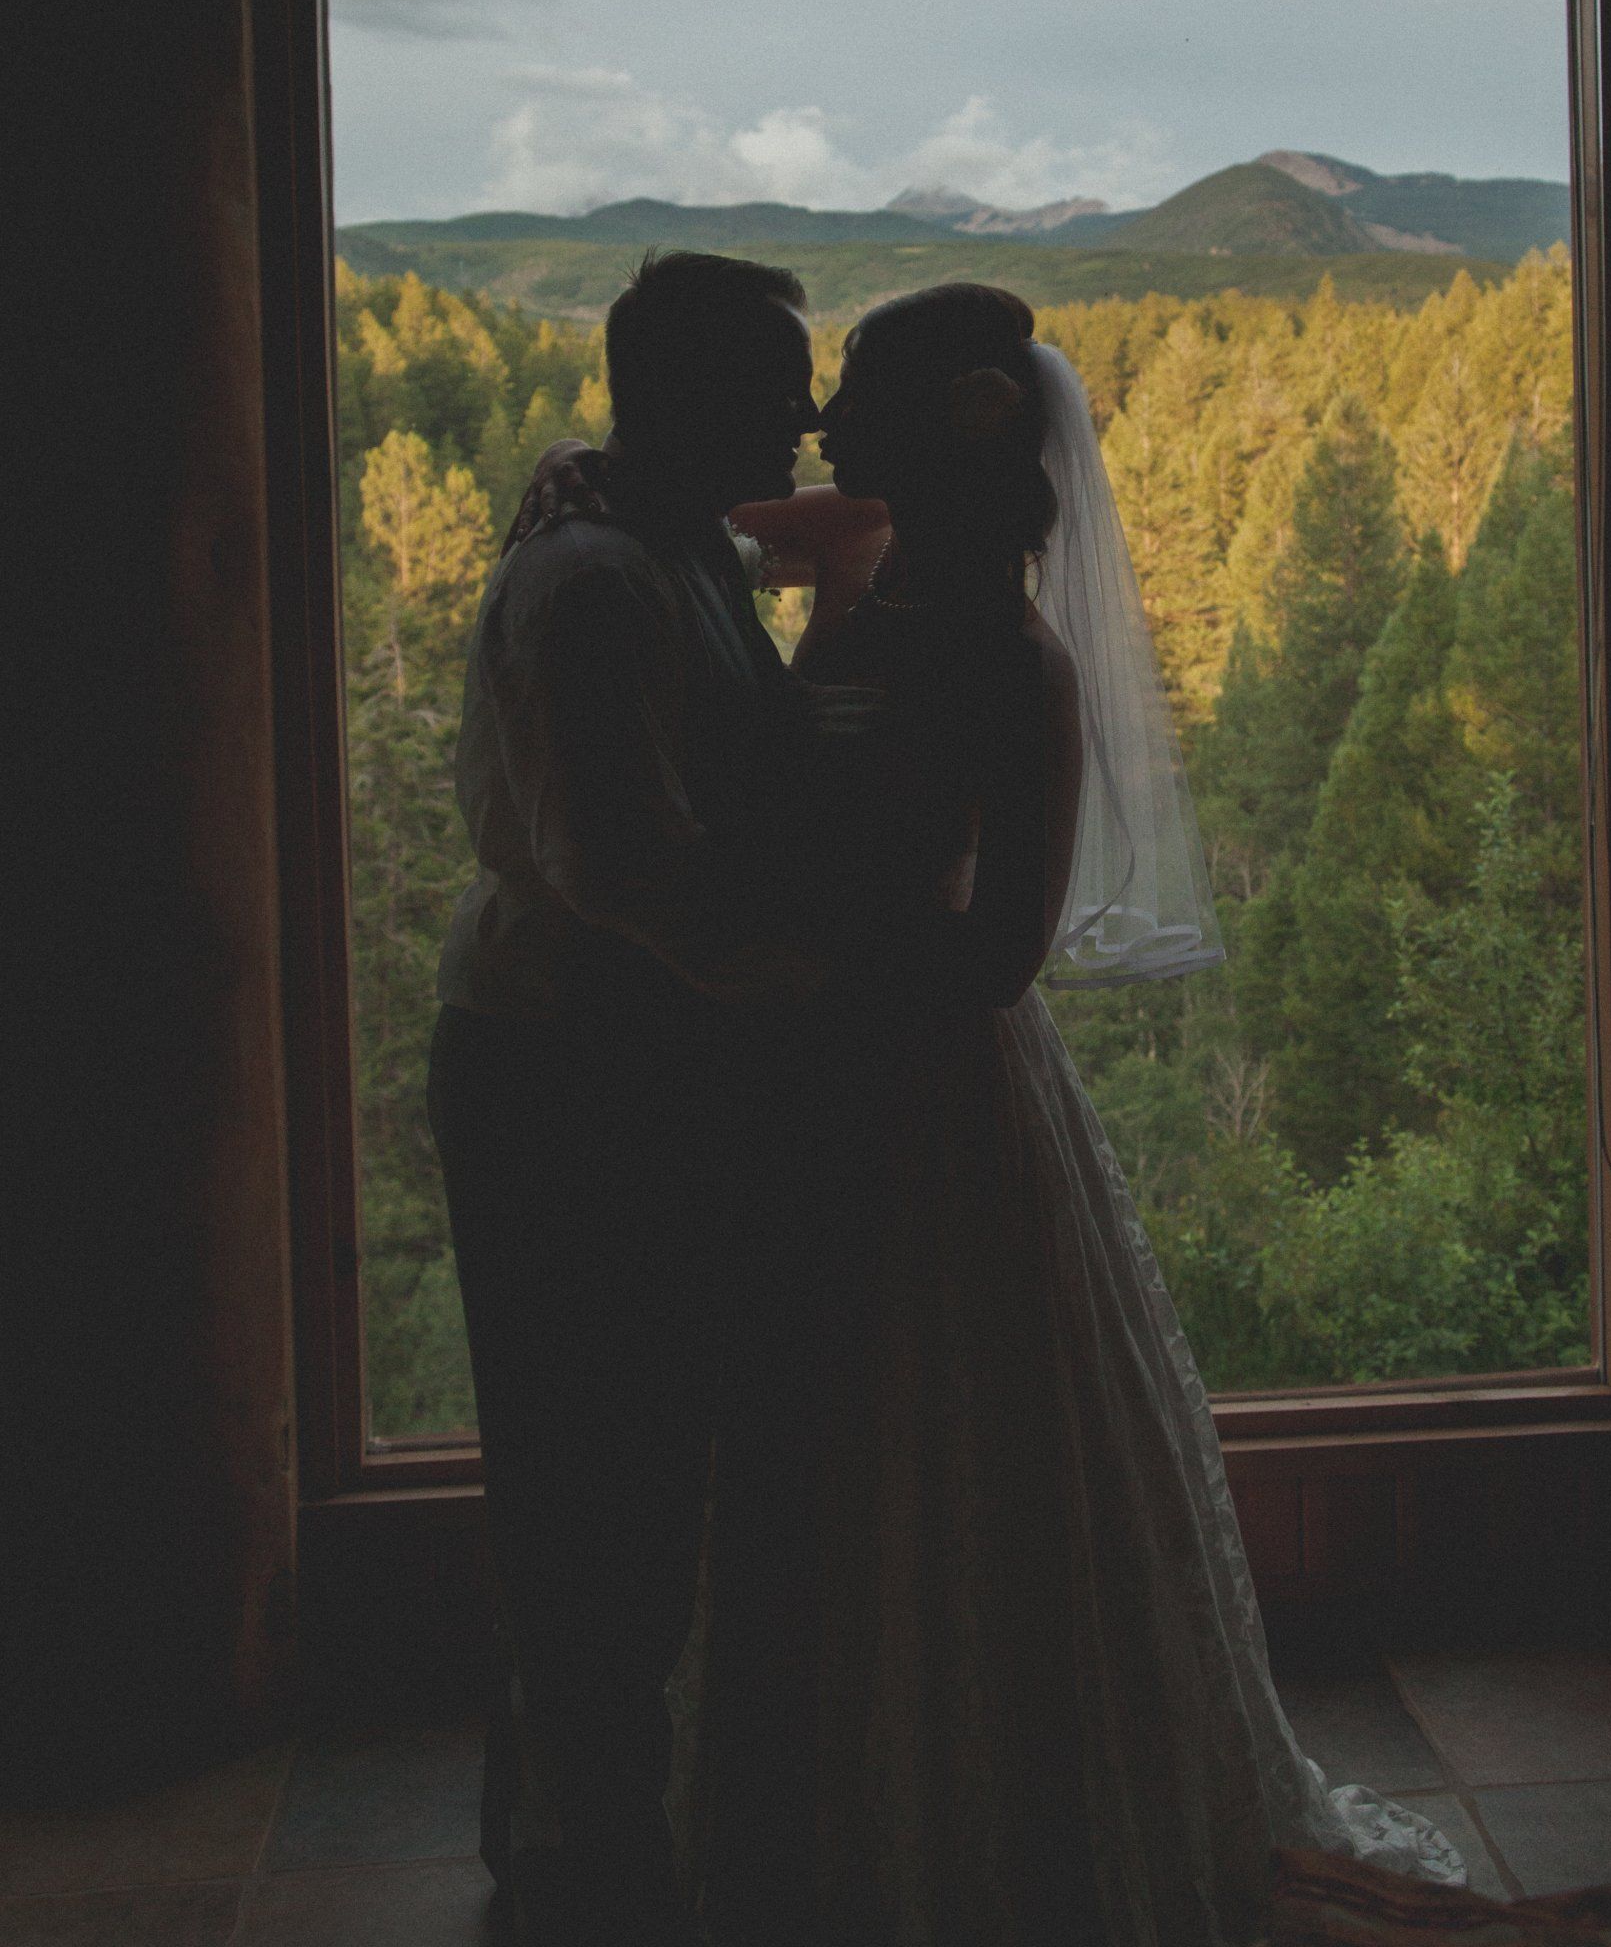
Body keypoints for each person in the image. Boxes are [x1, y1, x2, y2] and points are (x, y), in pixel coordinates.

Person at [520, 280, 1464, 1945]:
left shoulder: (1007, 657)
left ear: (949, 435)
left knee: (953, 1461)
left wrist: (820, 989)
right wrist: (580, 481)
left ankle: (987, 1831)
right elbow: (715, 560)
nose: (821, 431)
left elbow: (1002, 950)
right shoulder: (873, 589)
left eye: (855, 403)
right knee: (831, 1471)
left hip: (930, 1104)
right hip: (821, 1084)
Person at [430, 249, 882, 1947]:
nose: (810, 410)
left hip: (626, 1061)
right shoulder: (601, 583)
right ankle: (581, 1862)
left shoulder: (676, 538)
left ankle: (605, 1826)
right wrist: (839, 983)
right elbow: (635, 872)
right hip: (566, 1070)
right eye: (779, 379)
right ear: (675, 390)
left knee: (634, 1461)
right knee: (586, 1471)